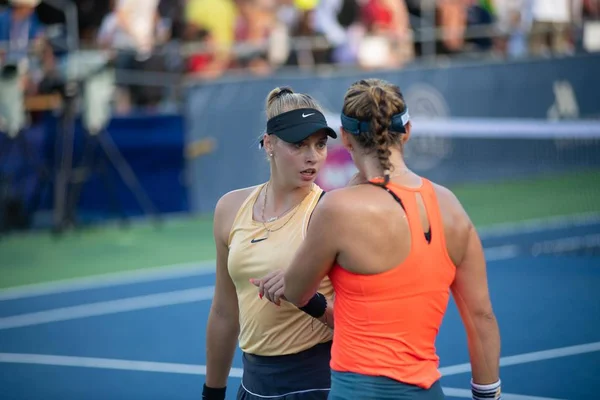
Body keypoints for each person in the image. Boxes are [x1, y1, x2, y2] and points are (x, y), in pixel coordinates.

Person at [273, 78, 501, 399]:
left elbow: (296, 290)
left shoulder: (338, 208)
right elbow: (482, 317)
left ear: (348, 139)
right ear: (406, 131)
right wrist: (487, 395)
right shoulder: (451, 206)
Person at [203, 86, 339, 400]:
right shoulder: (229, 208)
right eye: (299, 144)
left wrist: (306, 297)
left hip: (317, 386)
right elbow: (225, 311)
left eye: (320, 145)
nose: (312, 157)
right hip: (253, 387)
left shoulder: (330, 212)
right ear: (269, 145)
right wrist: (211, 394)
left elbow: (360, 322)